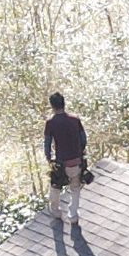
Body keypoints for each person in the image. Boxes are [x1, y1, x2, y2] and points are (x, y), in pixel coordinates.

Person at [43, 92, 88, 227]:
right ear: (64, 103)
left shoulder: (51, 123)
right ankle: (73, 216)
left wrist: (49, 158)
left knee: (55, 187)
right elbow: (83, 139)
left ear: (52, 106)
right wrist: (80, 152)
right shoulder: (75, 120)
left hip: (61, 162)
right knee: (75, 188)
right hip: (77, 161)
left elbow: (47, 143)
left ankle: (56, 212)